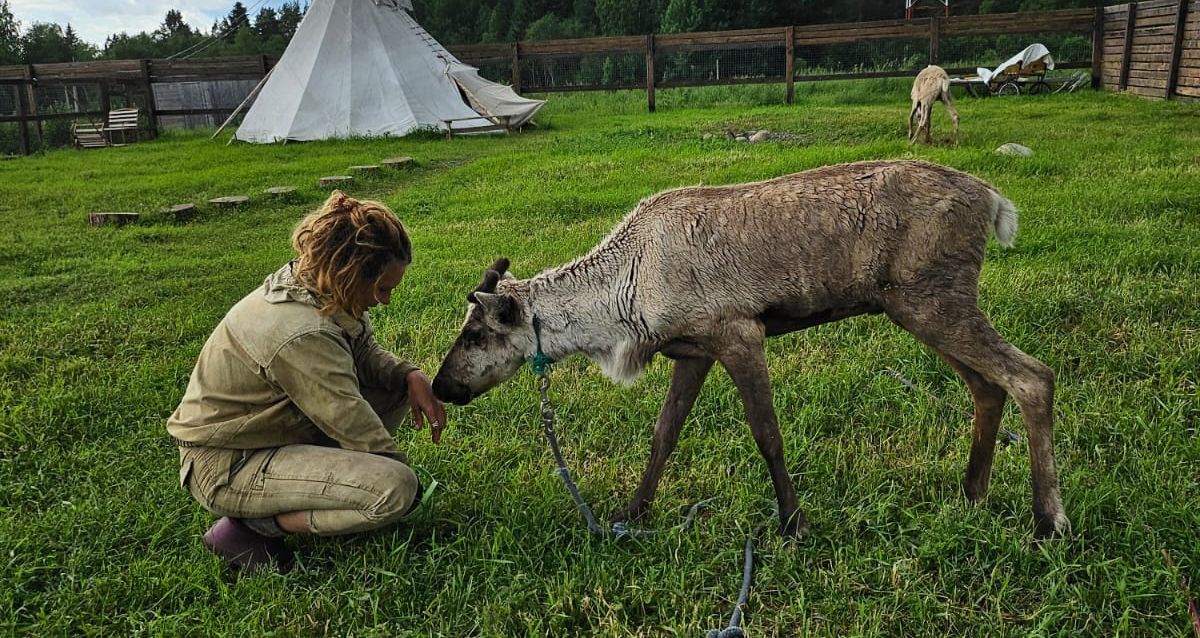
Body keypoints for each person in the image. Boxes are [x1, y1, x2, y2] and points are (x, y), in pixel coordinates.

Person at [167, 190, 446, 573]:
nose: (386, 301)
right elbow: (349, 418)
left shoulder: (321, 284)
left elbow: (363, 352)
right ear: (350, 273)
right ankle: (252, 528)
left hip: (271, 431)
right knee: (393, 489)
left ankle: (319, 483)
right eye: (382, 289)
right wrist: (404, 481)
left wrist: (408, 374)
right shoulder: (302, 332)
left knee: (394, 388)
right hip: (228, 464)